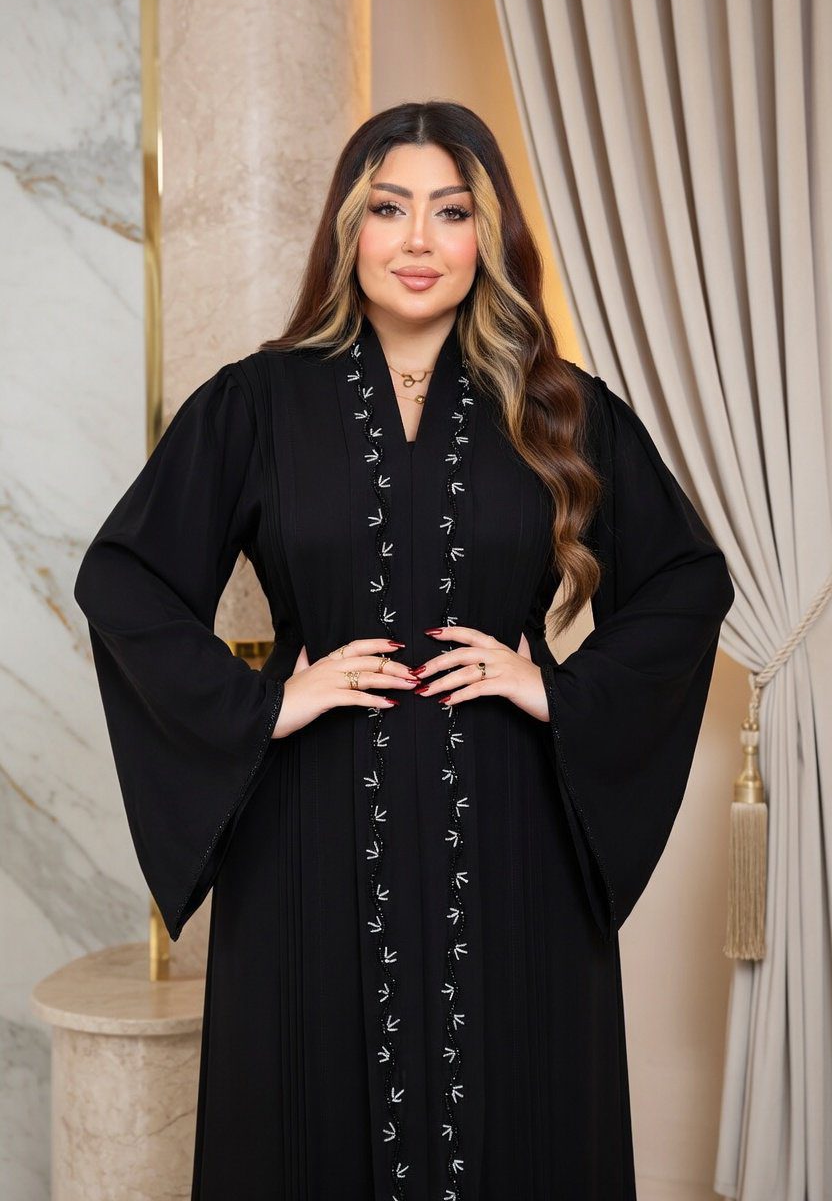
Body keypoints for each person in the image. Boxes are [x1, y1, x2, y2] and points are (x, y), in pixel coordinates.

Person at [74, 100, 735, 1201]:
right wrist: (264, 705)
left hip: (513, 831)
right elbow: (122, 578)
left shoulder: (558, 406)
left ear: (489, 236)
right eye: (389, 208)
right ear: (349, 229)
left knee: (515, 1114)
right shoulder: (257, 402)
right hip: (310, 833)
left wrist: (555, 689)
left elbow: (687, 580)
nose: (418, 240)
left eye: (451, 212)